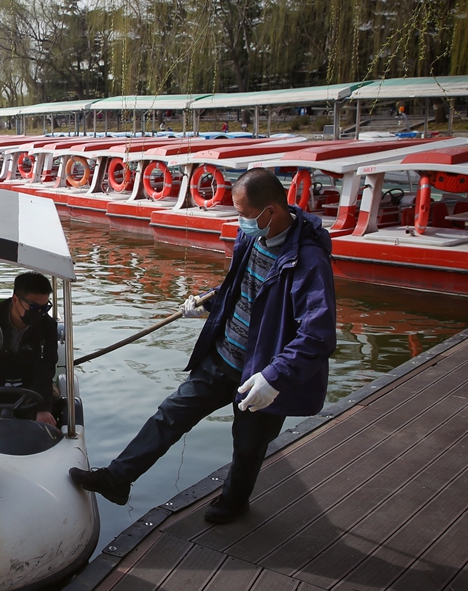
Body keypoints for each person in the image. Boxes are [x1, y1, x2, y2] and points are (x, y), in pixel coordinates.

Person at [70, 168, 336, 523]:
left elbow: (317, 336)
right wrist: (207, 306)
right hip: (224, 355)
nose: (240, 222)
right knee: (171, 414)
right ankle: (118, 479)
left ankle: (234, 501)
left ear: (270, 211)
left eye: (243, 214)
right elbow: (239, 287)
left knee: (247, 445)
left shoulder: (308, 262)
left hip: (262, 375)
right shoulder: (253, 238)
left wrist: (274, 378)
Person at [0, 272, 60, 427]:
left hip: (30, 386)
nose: (40, 313)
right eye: (34, 307)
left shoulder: (48, 326)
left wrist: (44, 409)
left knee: (56, 403)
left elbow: (46, 367)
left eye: (45, 308)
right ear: (15, 299)